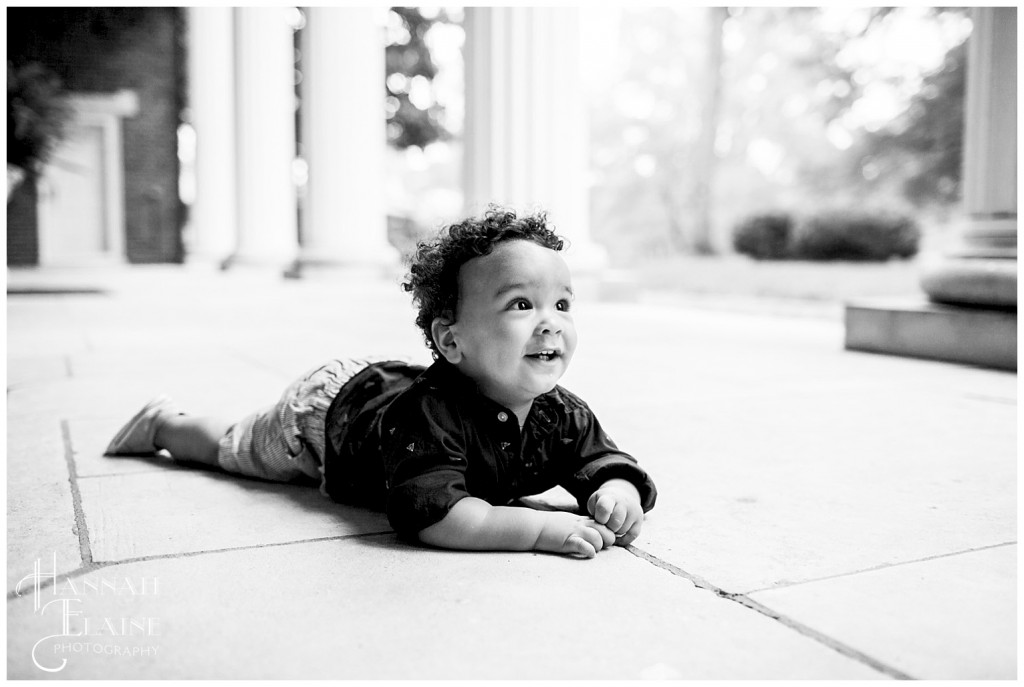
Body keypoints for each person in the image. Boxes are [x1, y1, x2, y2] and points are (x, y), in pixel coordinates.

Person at [106, 207, 657, 558]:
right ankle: (167, 425)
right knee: (244, 447)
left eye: (562, 303)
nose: (551, 322)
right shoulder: (432, 416)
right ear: (453, 341)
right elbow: (437, 517)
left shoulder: (562, 413)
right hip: (328, 417)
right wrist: (538, 531)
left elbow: (601, 459)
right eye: (521, 304)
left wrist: (616, 491)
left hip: (387, 389)